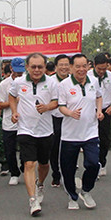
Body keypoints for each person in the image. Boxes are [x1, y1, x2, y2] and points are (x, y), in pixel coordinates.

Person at [9, 53, 58, 216]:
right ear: (27, 67)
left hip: (45, 130)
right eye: (33, 67)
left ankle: (40, 184)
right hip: (25, 129)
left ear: (45, 67)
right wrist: (15, 112)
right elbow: (12, 96)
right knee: (29, 164)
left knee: (44, 164)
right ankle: (32, 200)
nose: (36, 70)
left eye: (40, 67)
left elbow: (56, 101)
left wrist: (47, 107)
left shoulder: (51, 83)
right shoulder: (18, 82)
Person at [57, 53, 103, 211]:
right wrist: (70, 113)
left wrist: (99, 110)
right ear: (71, 67)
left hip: (90, 132)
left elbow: (98, 97)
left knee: (93, 164)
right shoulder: (64, 85)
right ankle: (72, 196)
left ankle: (86, 190)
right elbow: (61, 106)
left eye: (84, 66)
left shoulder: (94, 81)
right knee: (68, 168)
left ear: (88, 66)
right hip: (70, 134)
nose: (81, 69)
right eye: (78, 66)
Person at [87, 53, 111, 177]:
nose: (102, 71)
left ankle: (102, 162)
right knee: (91, 139)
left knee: (104, 139)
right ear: (94, 65)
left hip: (106, 111)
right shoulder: (88, 76)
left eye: (104, 68)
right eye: (99, 69)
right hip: (91, 111)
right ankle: (92, 164)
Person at [0, 58, 23, 186]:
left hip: (26, 123)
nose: (19, 74)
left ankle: (25, 168)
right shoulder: (4, 84)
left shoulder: (28, 82)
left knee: (26, 150)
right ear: (11, 69)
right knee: (9, 150)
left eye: (21, 72)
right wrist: (13, 102)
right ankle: (14, 173)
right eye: (17, 72)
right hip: (9, 122)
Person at [48, 54, 71, 187]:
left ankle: (67, 173)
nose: (64, 67)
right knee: (54, 148)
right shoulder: (50, 81)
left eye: (66, 65)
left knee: (68, 148)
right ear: (56, 67)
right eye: (61, 65)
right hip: (54, 118)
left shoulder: (74, 81)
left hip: (70, 118)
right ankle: (56, 174)